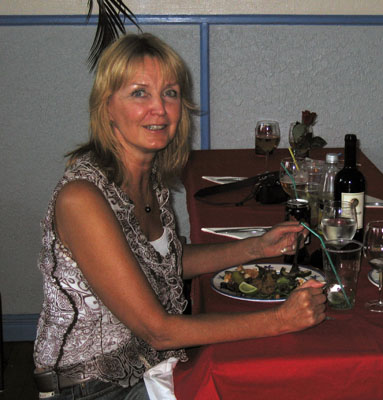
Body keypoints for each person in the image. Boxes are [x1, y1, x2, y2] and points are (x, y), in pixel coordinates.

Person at [33, 33, 326, 399]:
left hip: (151, 365)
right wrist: (281, 320)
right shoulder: (82, 199)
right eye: (140, 93)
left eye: (169, 93)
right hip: (92, 388)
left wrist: (257, 247)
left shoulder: (148, 177)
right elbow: (159, 331)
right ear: (107, 107)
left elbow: (165, 262)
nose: (159, 108)